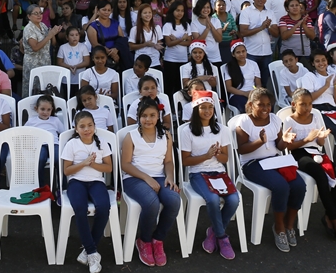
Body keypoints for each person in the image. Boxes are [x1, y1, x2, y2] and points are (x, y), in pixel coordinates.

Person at [235, 88, 306, 252]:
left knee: (299, 185)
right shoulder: (244, 121)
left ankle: (289, 225)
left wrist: (285, 141)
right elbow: (242, 149)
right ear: (251, 105)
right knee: (280, 186)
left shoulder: (274, 119)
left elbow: (279, 145)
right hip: (252, 163)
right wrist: (260, 141)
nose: (266, 109)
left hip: (275, 160)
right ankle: (279, 227)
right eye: (261, 105)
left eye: (268, 105)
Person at [120, 96, 180, 267]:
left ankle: (157, 239)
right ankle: (144, 241)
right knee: (151, 203)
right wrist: (146, 178)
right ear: (139, 117)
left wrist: (169, 177)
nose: (148, 119)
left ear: (158, 116)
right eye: (144, 115)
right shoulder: (130, 136)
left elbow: (168, 161)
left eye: (152, 115)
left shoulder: (166, 136)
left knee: (174, 200)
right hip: (134, 178)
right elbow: (125, 164)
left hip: (160, 177)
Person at [180, 90, 239, 259]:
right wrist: (206, 156)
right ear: (196, 110)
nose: (207, 111)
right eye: (203, 107)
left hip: (218, 172)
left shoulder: (222, 129)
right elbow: (185, 161)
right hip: (198, 173)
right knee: (212, 199)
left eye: (210, 107)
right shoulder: (187, 131)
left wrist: (216, 154)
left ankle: (213, 232)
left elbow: (225, 158)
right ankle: (222, 238)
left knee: (234, 200)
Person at [282, 89, 336, 240]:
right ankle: (335, 219)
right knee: (319, 174)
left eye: (309, 104)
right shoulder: (289, 121)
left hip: (315, 152)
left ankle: (329, 216)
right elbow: (288, 147)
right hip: (298, 154)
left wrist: (321, 139)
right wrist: (306, 139)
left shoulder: (315, 116)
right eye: (302, 104)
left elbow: (319, 142)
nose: (307, 107)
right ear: (294, 104)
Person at [62, 110, 113, 272]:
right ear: (76, 128)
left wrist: (92, 164)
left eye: (90, 125)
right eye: (82, 126)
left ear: (94, 126)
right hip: (76, 182)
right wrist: (84, 163)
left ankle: (88, 250)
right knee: (80, 208)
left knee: (104, 207)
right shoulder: (72, 144)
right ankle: (92, 253)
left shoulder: (102, 143)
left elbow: (109, 168)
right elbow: (67, 171)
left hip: (96, 181)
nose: (87, 129)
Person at [297, 51, 336, 168]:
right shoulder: (309, 76)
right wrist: (326, 86)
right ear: (312, 63)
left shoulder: (333, 75)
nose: (321, 63)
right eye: (317, 61)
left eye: (323, 60)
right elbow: (309, 99)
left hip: (332, 109)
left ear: (327, 61)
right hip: (317, 109)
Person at [239, 0, 279, 89]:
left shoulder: (270, 12)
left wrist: (268, 26)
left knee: (265, 83)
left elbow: (276, 34)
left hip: (267, 53)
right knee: (250, 83)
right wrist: (261, 27)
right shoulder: (246, 12)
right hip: (251, 53)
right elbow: (243, 32)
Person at [22, 3, 62, 97]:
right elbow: (35, 47)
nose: (39, 15)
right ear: (29, 16)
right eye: (35, 13)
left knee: (45, 87)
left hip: (45, 61)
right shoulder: (28, 29)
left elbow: (53, 43)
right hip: (33, 63)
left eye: (40, 13)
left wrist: (54, 33)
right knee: (33, 90)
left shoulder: (43, 25)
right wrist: (50, 35)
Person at [162, 0, 192, 96]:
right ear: (172, 11)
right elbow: (169, 43)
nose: (180, 13)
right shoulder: (168, 25)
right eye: (177, 10)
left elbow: (189, 42)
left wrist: (177, 40)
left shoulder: (186, 25)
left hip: (183, 59)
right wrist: (182, 39)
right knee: (169, 86)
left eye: (182, 11)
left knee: (180, 86)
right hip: (170, 60)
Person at [278, 0, 315, 67]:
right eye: (292, 6)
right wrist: (297, 25)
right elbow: (284, 36)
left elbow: (312, 36)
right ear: (287, 8)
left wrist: (303, 24)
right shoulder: (283, 19)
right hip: (288, 55)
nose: (295, 7)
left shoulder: (307, 19)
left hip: (305, 55)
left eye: (297, 5)